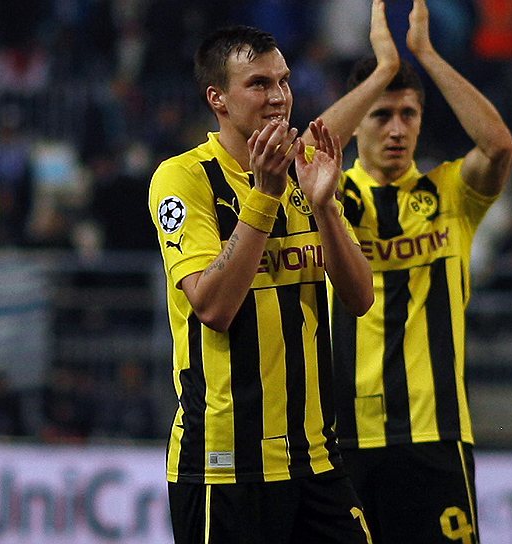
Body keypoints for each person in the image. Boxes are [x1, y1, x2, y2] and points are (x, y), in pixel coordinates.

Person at [147, 24, 375, 544]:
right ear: (218, 98)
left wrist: (324, 207)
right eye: (258, 84)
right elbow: (212, 308)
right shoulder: (184, 178)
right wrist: (264, 194)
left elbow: (360, 296)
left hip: (315, 457)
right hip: (226, 463)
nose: (278, 97)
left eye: (283, 81)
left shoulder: (306, 171)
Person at [309, 1, 512, 542]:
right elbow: (299, 158)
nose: (397, 129)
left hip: (435, 433)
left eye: (409, 114)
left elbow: (498, 146)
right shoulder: (329, 195)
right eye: (381, 115)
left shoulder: (450, 191)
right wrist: (382, 71)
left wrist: (426, 55)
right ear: (357, 122)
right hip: (342, 437)